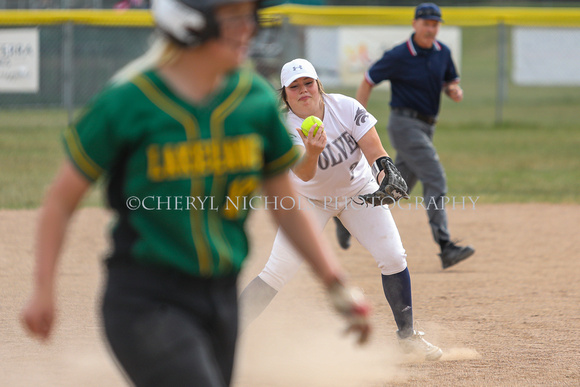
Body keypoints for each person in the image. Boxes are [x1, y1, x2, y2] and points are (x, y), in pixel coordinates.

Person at [20, 1, 370, 386]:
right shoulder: (129, 101)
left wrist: (334, 282)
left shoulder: (251, 99)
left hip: (220, 297)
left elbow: (286, 207)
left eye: (249, 17)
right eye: (234, 17)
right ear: (188, 25)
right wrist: (42, 290)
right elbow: (60, 200)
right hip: (146, 299)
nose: (248, 29)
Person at [238, 58, 443, 361]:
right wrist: (312, 152)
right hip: (309, 201)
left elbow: (374, 150)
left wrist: (385, 171)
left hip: (357, 192)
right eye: (294, 87)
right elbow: (305, 174)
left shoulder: (344, 106)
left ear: (319, 84)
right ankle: (224, 333)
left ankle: (408, 336)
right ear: (285, 94)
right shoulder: (285, 127)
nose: (303, 90)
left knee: (393, 256)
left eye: (308, 83)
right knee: (277, 271)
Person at [354, 2, 475, 269]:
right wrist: (356, 120)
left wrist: (454, 90)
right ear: (415, 24)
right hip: (404, 125)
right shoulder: (399, 55)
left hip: (427, 127)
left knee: (397, 188)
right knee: (436, 178)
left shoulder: (443, 52)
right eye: (426, 23)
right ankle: (445, 247)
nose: (431, 28)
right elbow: (368, 79)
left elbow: (450, 81)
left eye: (435, 24)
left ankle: (350, 215)